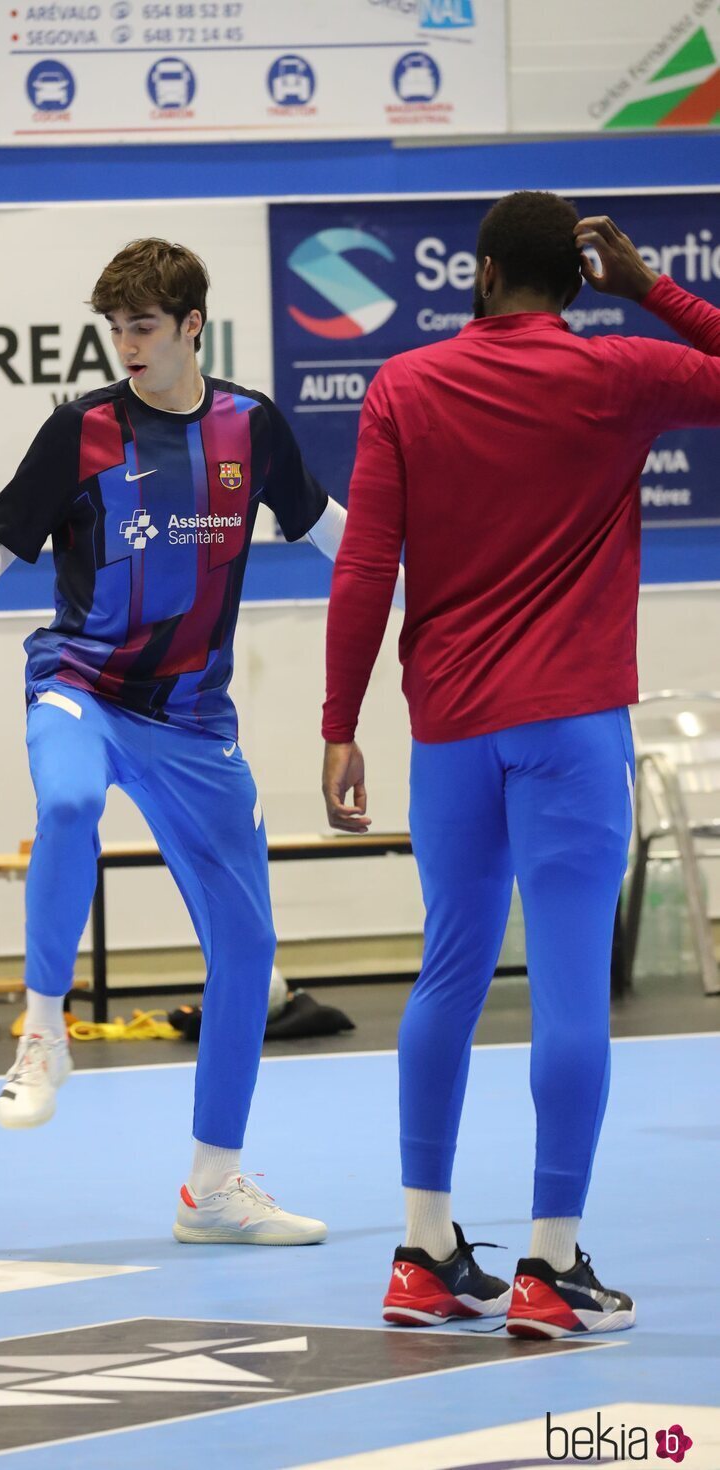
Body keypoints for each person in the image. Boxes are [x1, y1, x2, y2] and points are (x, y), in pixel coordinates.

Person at [321, 194, 720, 1336]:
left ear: (485, 272)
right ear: (577, 281)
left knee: (445, 974)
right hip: (568, 727)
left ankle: (420, 1250)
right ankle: (548, 1269)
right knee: (563, 989)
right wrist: (653, 290)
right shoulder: (619, 375)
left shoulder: (400, 386)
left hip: (447, 733)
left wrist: (338, 723)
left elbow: (362, 569)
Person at [0, 238, 346, 1245]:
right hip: (82, 685)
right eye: (115, 329)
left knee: (246, 950)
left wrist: (420, 572)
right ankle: (44, 1030)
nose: (127, 345)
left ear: (193, 325)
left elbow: (327, 531)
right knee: (64, 803)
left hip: (192, 718)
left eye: (144, 326)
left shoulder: (251, 427)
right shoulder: (83, 431)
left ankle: (214, 1189)